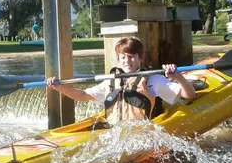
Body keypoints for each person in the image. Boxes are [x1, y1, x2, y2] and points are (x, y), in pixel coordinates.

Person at [46, 36, 196, 124]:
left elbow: (189, 95)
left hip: (142, 134)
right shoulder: (111, 82)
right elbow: (83, 95)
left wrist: (178, 76)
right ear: (118, 59)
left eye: (131, 57)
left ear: (141, 57)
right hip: (115, 133)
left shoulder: (152, 80)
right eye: (123, 57)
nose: (127, 61)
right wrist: (58, 87)